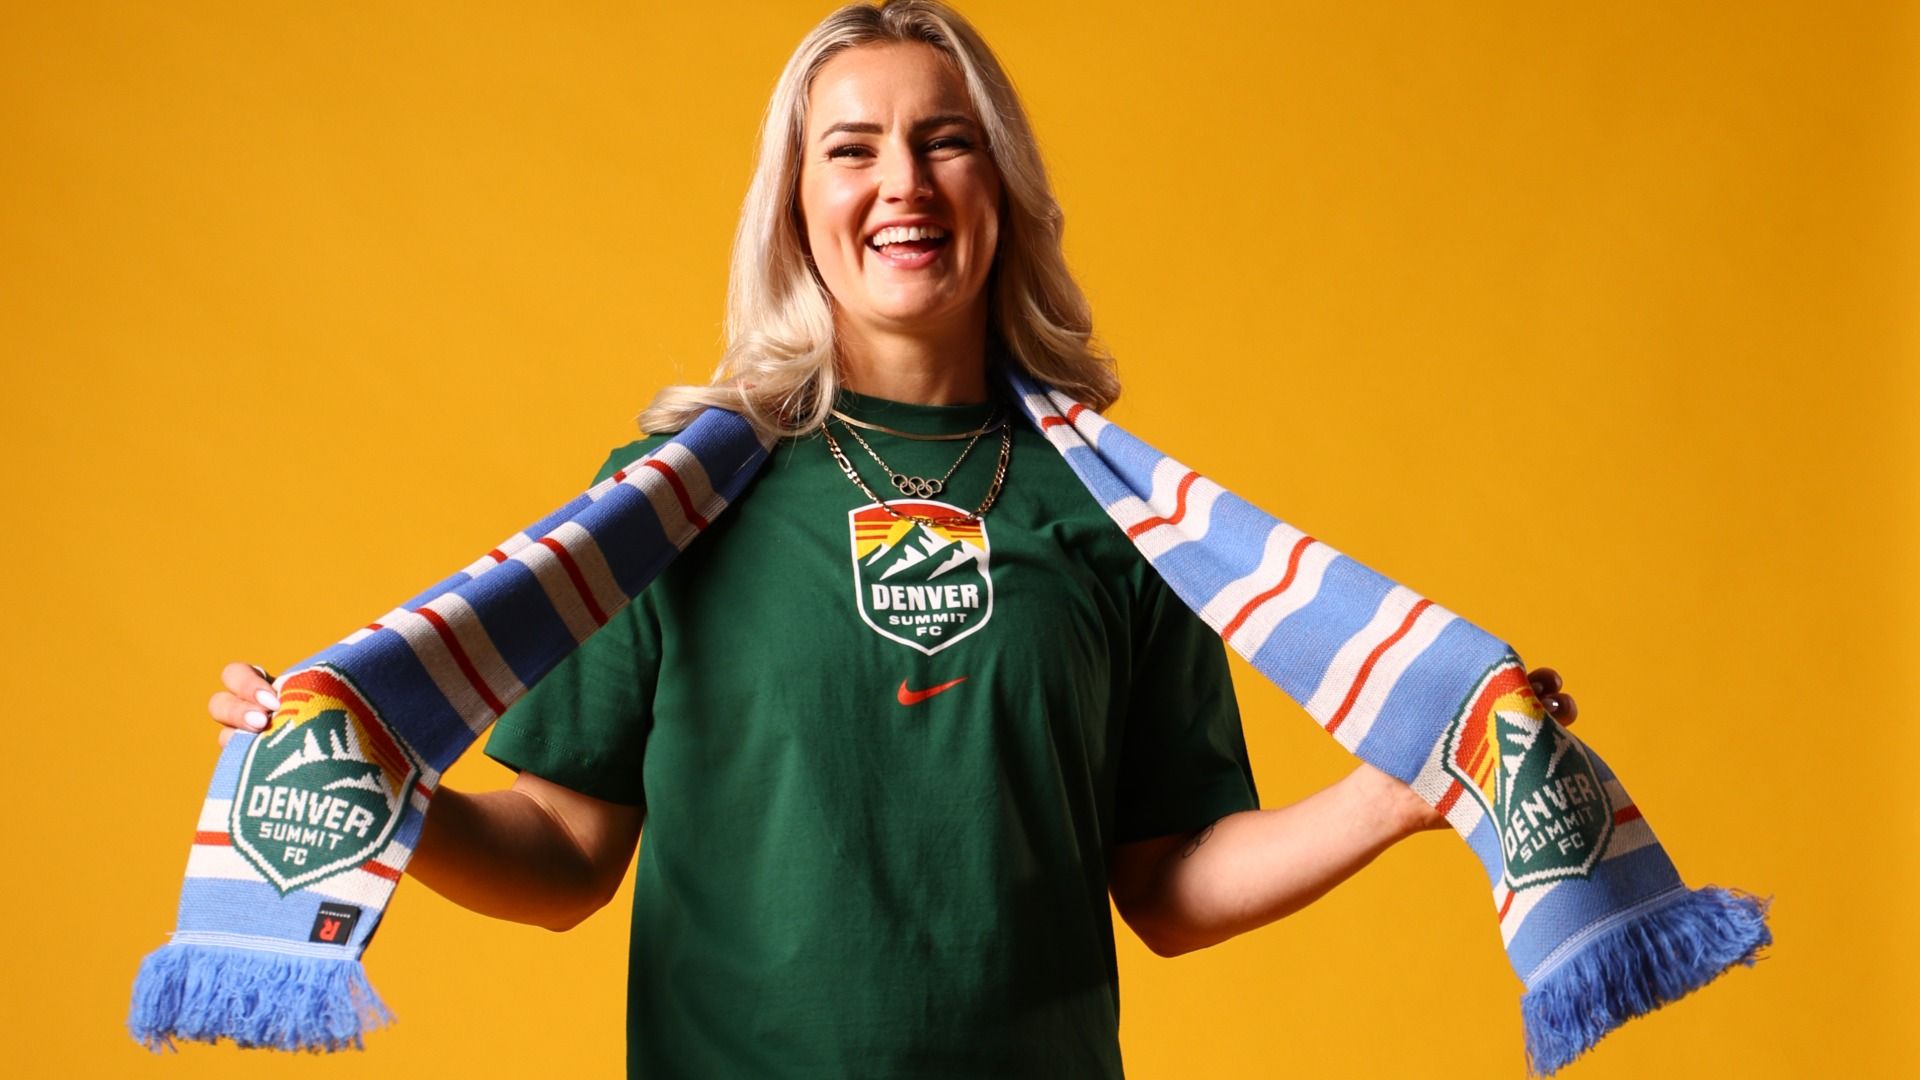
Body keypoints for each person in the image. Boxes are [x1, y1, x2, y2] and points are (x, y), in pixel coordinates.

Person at [204, 2, 1577, 1075]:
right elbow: (562, 852)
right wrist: (382, 784)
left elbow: (1168, 883)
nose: (902, 183)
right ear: (796, 203)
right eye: (851, 149)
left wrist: (1403, 791)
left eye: (946, 140)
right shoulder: (670, 501)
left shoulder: (1121, 509)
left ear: (1004, 186)